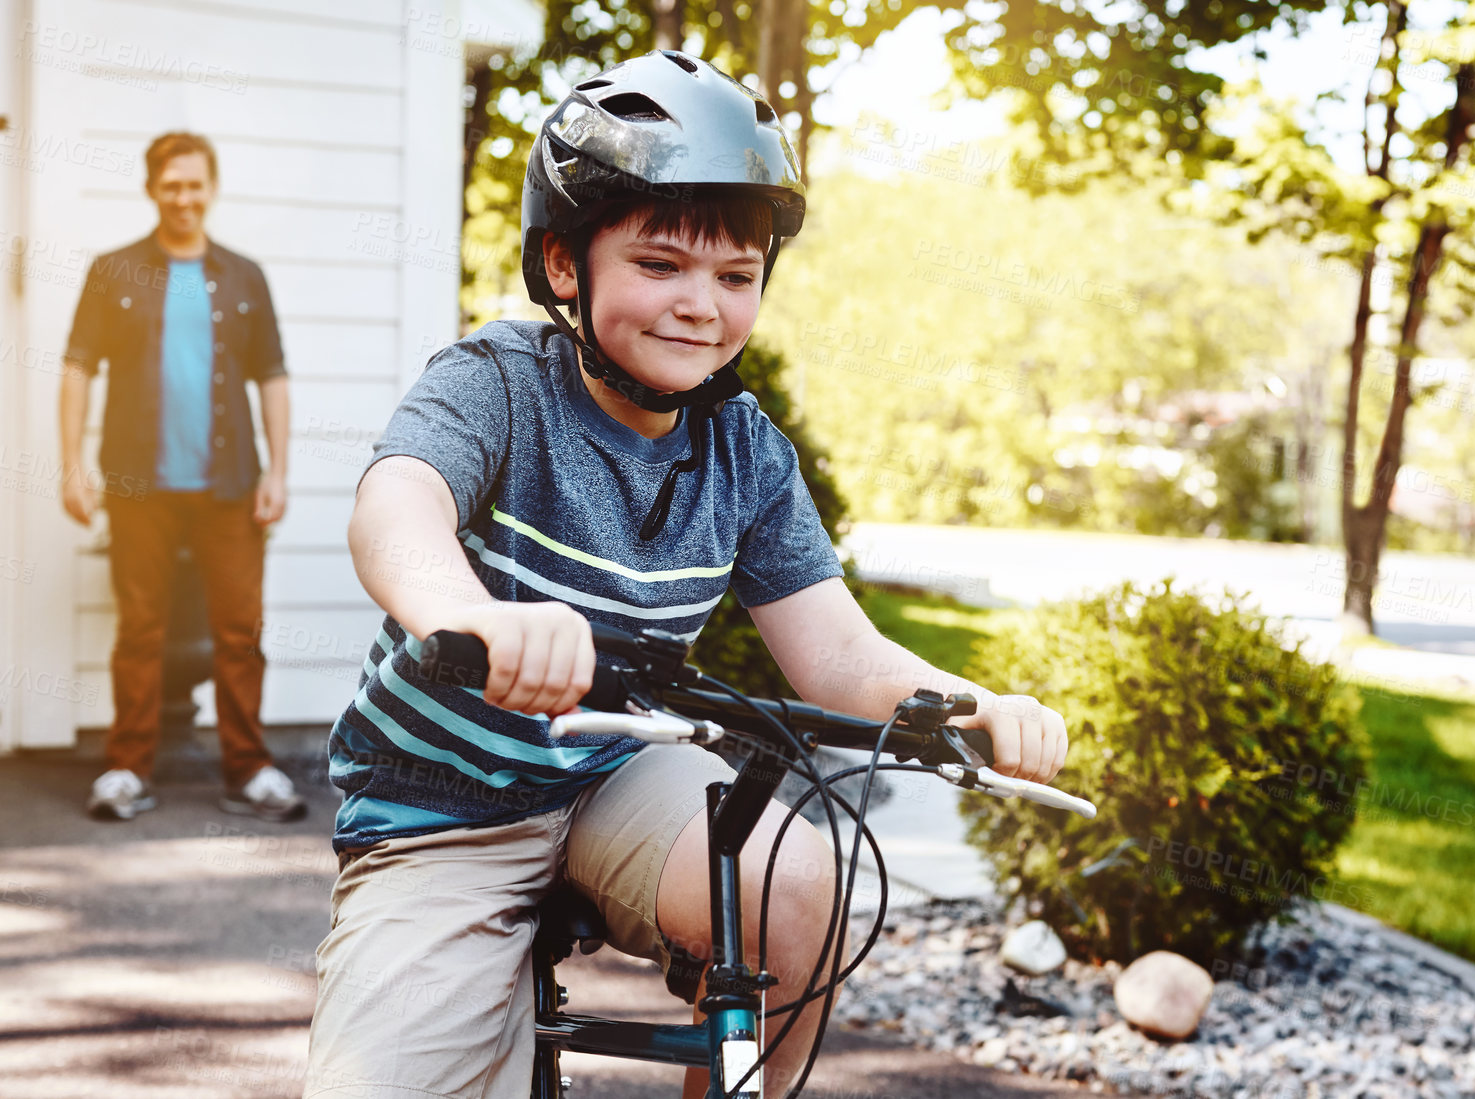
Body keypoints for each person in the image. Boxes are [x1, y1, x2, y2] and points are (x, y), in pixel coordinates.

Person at [304, 50, 1070, 1099]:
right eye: (659, 264)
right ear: (567, 265)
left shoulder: (745, 450)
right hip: (446, 807)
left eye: (735, 276)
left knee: (797, 880)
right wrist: (471, 617)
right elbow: (395, 515)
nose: (701, 305)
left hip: (618, 772)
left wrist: (973, 706)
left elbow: (837, 651)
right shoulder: (496, 385)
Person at [60, 132, 305, 824]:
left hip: (231, 485)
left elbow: (272, 377)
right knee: (140, 628)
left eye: (195, 184)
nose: (184, 197)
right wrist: (72, 467)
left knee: (238, 631)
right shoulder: (114, 271)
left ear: (211, 189)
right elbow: (77, 366)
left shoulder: (243, 276)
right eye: (171, 185)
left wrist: (278, 472)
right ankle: (125, 768)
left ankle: (249, 768)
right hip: (138, 485)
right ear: (152, 190)